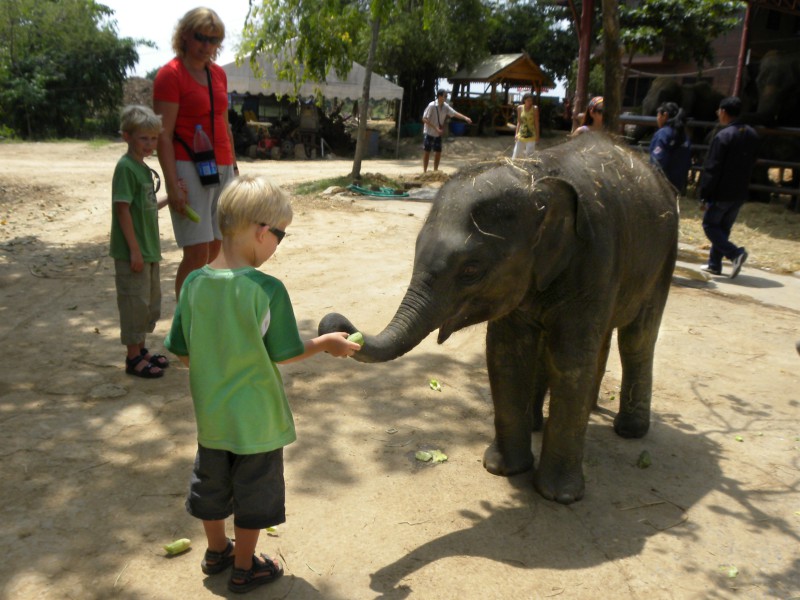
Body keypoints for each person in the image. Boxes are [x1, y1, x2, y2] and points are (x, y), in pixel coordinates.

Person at [164, 174, 361, 594]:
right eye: (281, 236)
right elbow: (285, 352)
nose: (278, 246)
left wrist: (213, 368)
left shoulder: (194, 283)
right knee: (254, 494)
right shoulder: (267, 289)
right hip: (256, 420)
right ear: (260, 231)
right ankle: (243, 566)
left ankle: (216, 550)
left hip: (212, 416)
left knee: (211, 485)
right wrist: (326, 344)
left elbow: (181, 350)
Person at [153, 7, 239, 299]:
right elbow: (163, 135)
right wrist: (172, 183)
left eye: (214, 40)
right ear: (185, 35)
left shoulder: (218, 75)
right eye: (201, 37)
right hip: (189, 166)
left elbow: (225, 125)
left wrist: (235, 167)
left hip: (222, 165)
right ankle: (183, 320)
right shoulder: (170, 75)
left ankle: (205, 310)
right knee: (196, 250)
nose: (207, 46)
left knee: (217, 246)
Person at [110, 105, 170, 379]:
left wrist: (171, 198)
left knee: (147, 303)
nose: (150, 144)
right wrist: (134, 250)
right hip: (134, 251)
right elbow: (123, 209)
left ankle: (141, 350)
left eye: (153, 138)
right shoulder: (125, 168)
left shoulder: (143, 168)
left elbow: (145, 206)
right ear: (127, 137)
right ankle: (133, 358)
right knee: (134, 303)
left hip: (149, 251)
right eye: (143, 138)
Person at [699, 96, 759, 278]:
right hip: (740, 191)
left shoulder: (723, 136)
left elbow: (712, 167)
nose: (718, 114)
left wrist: (705, 194)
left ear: (724, 112)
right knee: (723, 228)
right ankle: (714, 264)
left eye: (719, 111)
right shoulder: (752, 134)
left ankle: (735, 253)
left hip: (721, 192)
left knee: (710, 225)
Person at [422, 89, 472, 172]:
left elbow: (455, 113)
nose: (446, 97)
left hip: (438, 133)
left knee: (438, 152)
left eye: (446, 96)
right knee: (427, 151)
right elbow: (424, 119)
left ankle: (435, 171)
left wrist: (465, 118)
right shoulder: (431, 106)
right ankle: (424, 171)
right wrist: (436, 128)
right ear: (439, 96)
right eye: (445, 96)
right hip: (429, 132)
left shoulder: (446, 106)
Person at [649, 101, 693, 194]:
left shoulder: (663, 134)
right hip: (677, 184)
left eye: (658, 115)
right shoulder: (685, 136)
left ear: (664, 115)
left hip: (662, 185)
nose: (657, 118)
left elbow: (657, 162)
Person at [512, 92, 540, 159]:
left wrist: (537, 135)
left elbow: (536, 122)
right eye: (528, 100)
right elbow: (519, 121)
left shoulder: (535, 108)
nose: (530, 102)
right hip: (521, 134)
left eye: (531, 100)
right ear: (524, 100)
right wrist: (516, 134)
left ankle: (529, 168)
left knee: (530, 155)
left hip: (531, 134)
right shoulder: (519, 108)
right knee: (516, 153)